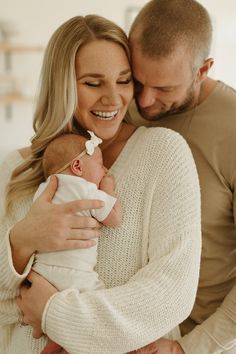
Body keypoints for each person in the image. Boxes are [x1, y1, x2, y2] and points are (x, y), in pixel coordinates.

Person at [0, 14, 201, 354]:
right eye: (93, 84)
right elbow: (5, 311)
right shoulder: (15, 169)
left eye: (124, 81)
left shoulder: (163, 153)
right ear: (61, 84)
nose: (114, 98)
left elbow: (171, 293)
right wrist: (21, 242)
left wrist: (53, 313)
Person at [126, 0, 236, 353]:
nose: (144, 101)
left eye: (164, 89)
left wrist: (188, 349)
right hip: (117, 329)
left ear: (202, 70)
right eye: (137, 80)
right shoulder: (120, 102)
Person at [34, 130, 122, 354]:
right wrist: (108, 189)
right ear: (77, 167)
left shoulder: (41, 192)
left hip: (40, 274)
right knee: (98, 309)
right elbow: (114, 219)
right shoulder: (85, 189)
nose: (104, 170)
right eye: (101, 164)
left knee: (55, 318)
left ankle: (53, 345)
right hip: (74, 274)